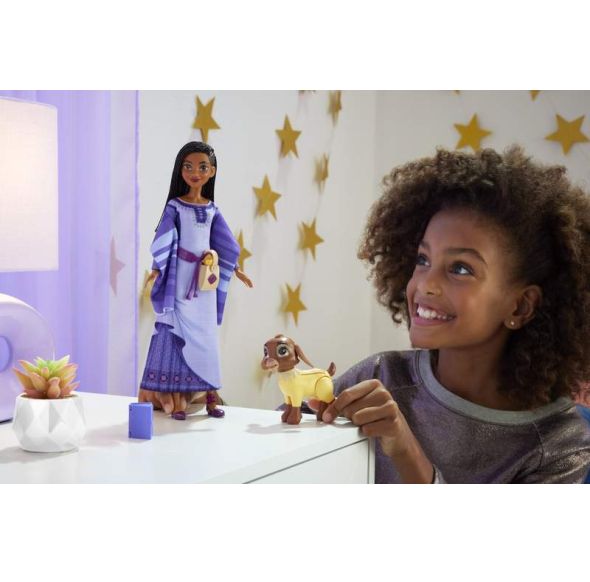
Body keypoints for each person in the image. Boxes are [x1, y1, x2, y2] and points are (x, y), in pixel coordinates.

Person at [319, 146, 590, 483]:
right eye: (423, 260)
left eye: (460, 268)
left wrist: (406, 450)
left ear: (520, 306)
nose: (425, 285)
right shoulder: (381, 376)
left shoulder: (559, 445)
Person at [138, 141, 253, 420]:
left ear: (212, 171)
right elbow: (164, 238)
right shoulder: (175, 207)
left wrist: (235, 268)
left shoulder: (212, 209)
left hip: (205, 282)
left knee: (207, 338)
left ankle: (211, 398)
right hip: (180, 281)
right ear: (180, 170)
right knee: (180, 334)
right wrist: (156, 268)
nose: (195, 173)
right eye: (188, 167)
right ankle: (178, 403)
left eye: (202, 167)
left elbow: (225, 243)